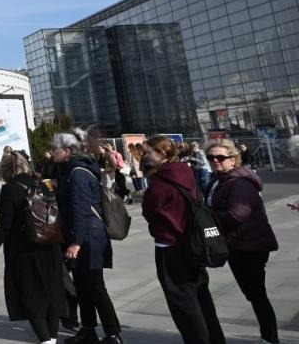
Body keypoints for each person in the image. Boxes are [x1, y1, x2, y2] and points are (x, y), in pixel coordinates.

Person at [142, 135, 224, 344]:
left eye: (149, 152)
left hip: (170, 245)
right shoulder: (185, 171)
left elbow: (149, 211)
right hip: (193, 242)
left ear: (161, 154)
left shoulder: (160, 182)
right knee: (201, 297)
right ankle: (215, 339)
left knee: (183, 304)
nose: (146, 156)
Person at [0, 151, 65, 344]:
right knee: (51, 293)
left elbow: (4, 225)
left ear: (6, 169)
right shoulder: (43, 185)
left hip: (25, 250)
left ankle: (45, 340)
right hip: (50, 246)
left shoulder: (9, 189)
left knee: (31, 295)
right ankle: (52, 339)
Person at [206, 140, 278, 344]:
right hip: (236, 244)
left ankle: (270, 337)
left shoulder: (239, 182)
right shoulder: (220, 179)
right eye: (211, 157)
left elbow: (237, 214)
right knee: (253, 293)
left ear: (233, 158)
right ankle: (269, 335)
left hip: (249, 244)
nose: (215, 161)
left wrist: (208, 216)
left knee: (256, 294)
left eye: (220, 157)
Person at [53, 130, 122, 344]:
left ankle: (113, 334)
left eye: (54, 149)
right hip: (83, 234)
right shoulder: (71, 170)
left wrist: (76, 242)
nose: (51, 153)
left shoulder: (78, 173)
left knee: (95, 286)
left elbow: (80, 208)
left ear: (66, 150)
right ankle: (89, 328)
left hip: (89, 237)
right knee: (82, 286)